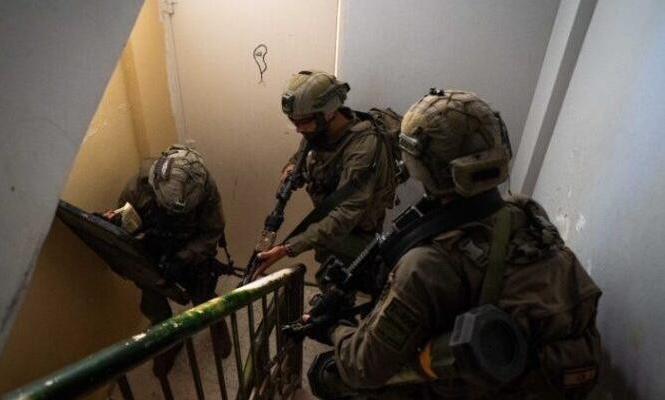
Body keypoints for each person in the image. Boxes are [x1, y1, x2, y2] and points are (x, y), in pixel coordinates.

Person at [307, 90, 602, 399]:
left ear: (419, 165)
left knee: (329, 374)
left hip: (486, 385)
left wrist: (335, 327)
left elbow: (364, 368)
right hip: (540, 375)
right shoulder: (525, 213)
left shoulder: (426, 265)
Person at [253, 70, 398, 280]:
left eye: (302, 122)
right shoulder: (316, 130)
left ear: (328, 113)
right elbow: (301, 156)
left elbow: (345, 214)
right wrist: (292, 169)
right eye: (293, 121)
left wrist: (288, 248)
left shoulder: (364, 146)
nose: (298, 129)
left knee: (341, 280)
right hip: (329, 226)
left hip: (356, 233)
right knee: (326, 264)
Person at [107, 144, 232, 376]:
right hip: (152, 252)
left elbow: (212, 231)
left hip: (192, 251)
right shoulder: (136, 190)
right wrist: (117, 225)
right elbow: (125, 228)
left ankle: (217, 325)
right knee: (154, 305)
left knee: (204, 295)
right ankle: (169, 341)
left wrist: (183, 258)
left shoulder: (205, 186)